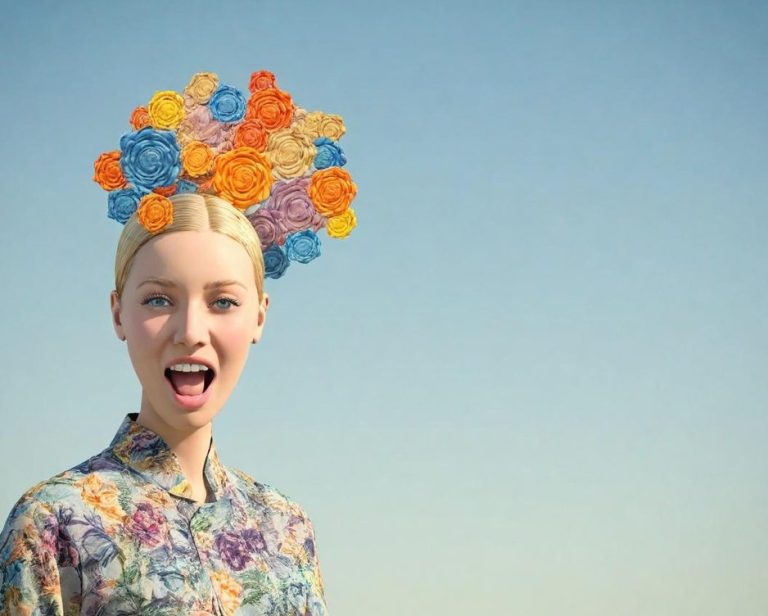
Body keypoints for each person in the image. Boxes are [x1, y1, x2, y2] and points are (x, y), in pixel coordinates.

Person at [0, 69, 356, 615]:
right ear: (118, 312)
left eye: (223, 302)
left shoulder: (287, 527)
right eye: (159, 300)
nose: (191, 332)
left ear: (260, 317)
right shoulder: (55, 522)